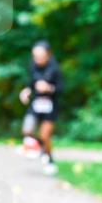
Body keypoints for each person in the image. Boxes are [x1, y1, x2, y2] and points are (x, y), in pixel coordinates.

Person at [19, 41, 63, 176]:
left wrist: (49, 88)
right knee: (27, 130)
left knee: (45, 135)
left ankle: (49, 160)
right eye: (35, 56)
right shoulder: (33, 67)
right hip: (36, 104)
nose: (37, 58)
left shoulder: (55, 69)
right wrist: (26, 91)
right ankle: (39, 148)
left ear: (48, 55)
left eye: (40, 56)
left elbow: (61, 89)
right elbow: (30, 84)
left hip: (50, 106)